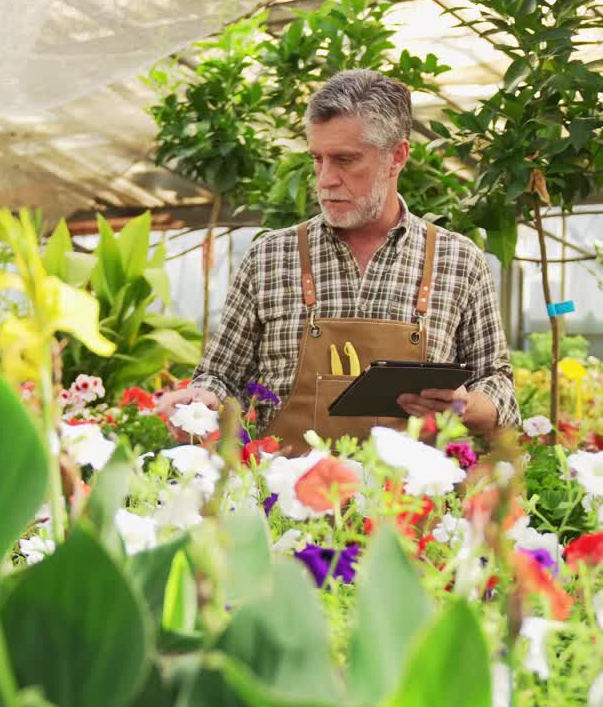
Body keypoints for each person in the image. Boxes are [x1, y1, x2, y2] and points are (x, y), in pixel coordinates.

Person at [156, 69, 519, 450]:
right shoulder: (269, 258)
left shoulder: (457, 260)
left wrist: (467, 405)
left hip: (407, 504)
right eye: (318, 159)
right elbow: (221, 377)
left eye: (345, 160)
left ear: (397, 156)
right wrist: (202, 402)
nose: (325, 179)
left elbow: (499, 386)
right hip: (282, 500)